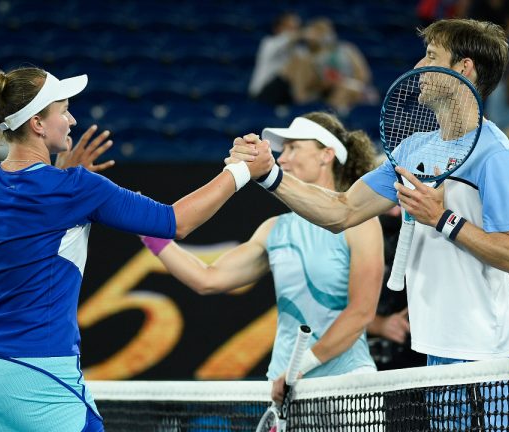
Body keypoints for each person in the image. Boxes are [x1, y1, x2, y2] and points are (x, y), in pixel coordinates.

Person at [0, 66, 273, 432]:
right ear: (37, 123)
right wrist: (242, 171)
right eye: (63, 110)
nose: (71, 119)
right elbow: (175, 221)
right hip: (40, 376)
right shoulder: (77, 188)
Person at [230, 18, 509, 428]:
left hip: (492, 360)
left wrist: (442, 219)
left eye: (431, 57)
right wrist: (271, 175)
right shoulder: (413, 150)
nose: (417, 68)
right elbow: (342, 210)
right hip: (437, 355)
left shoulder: (494, 156)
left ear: (463, 68)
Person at [141, 113, 384, 402]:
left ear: (326, 155)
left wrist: (300, 368)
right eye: (283, 151)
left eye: (294, 148)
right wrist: (147, 228)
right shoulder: (274, 230)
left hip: (346, 385)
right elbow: (208, 279)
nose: (283, 159)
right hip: (286, 390)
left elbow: (361, 314)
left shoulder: (363, 225)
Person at [248, 12, 303, 105]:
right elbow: (286, 40)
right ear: (279, 28)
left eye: (296, 28)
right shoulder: (269, 43)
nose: (294, 32)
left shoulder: (299, 49)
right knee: (296, 64)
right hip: (263, 93)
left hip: (286, 93)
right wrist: (304, 33)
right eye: (290, 28)